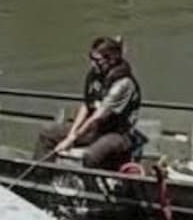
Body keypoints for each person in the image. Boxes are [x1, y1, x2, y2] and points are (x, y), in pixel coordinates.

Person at [34, 36, 143, 170]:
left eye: (97, 60)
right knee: (47, 132)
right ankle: (41, 174)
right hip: (96, 129)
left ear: (111, 60)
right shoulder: (95, 75)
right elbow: (86, 105)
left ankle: (94, 181)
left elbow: (97, 116)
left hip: (118, 134)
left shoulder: (123, 84)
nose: (92, 64)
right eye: (91, 58)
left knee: (92, 155)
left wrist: (72, 139)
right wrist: (71, 134)